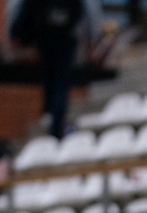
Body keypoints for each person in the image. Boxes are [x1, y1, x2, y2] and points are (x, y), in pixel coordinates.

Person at [9, 0, 101, 138]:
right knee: (58, 84)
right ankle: (52, 120)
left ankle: (51, 118)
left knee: (53, 82)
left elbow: (24, 13)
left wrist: (17, 34)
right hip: (60, 39)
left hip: (49, 39)